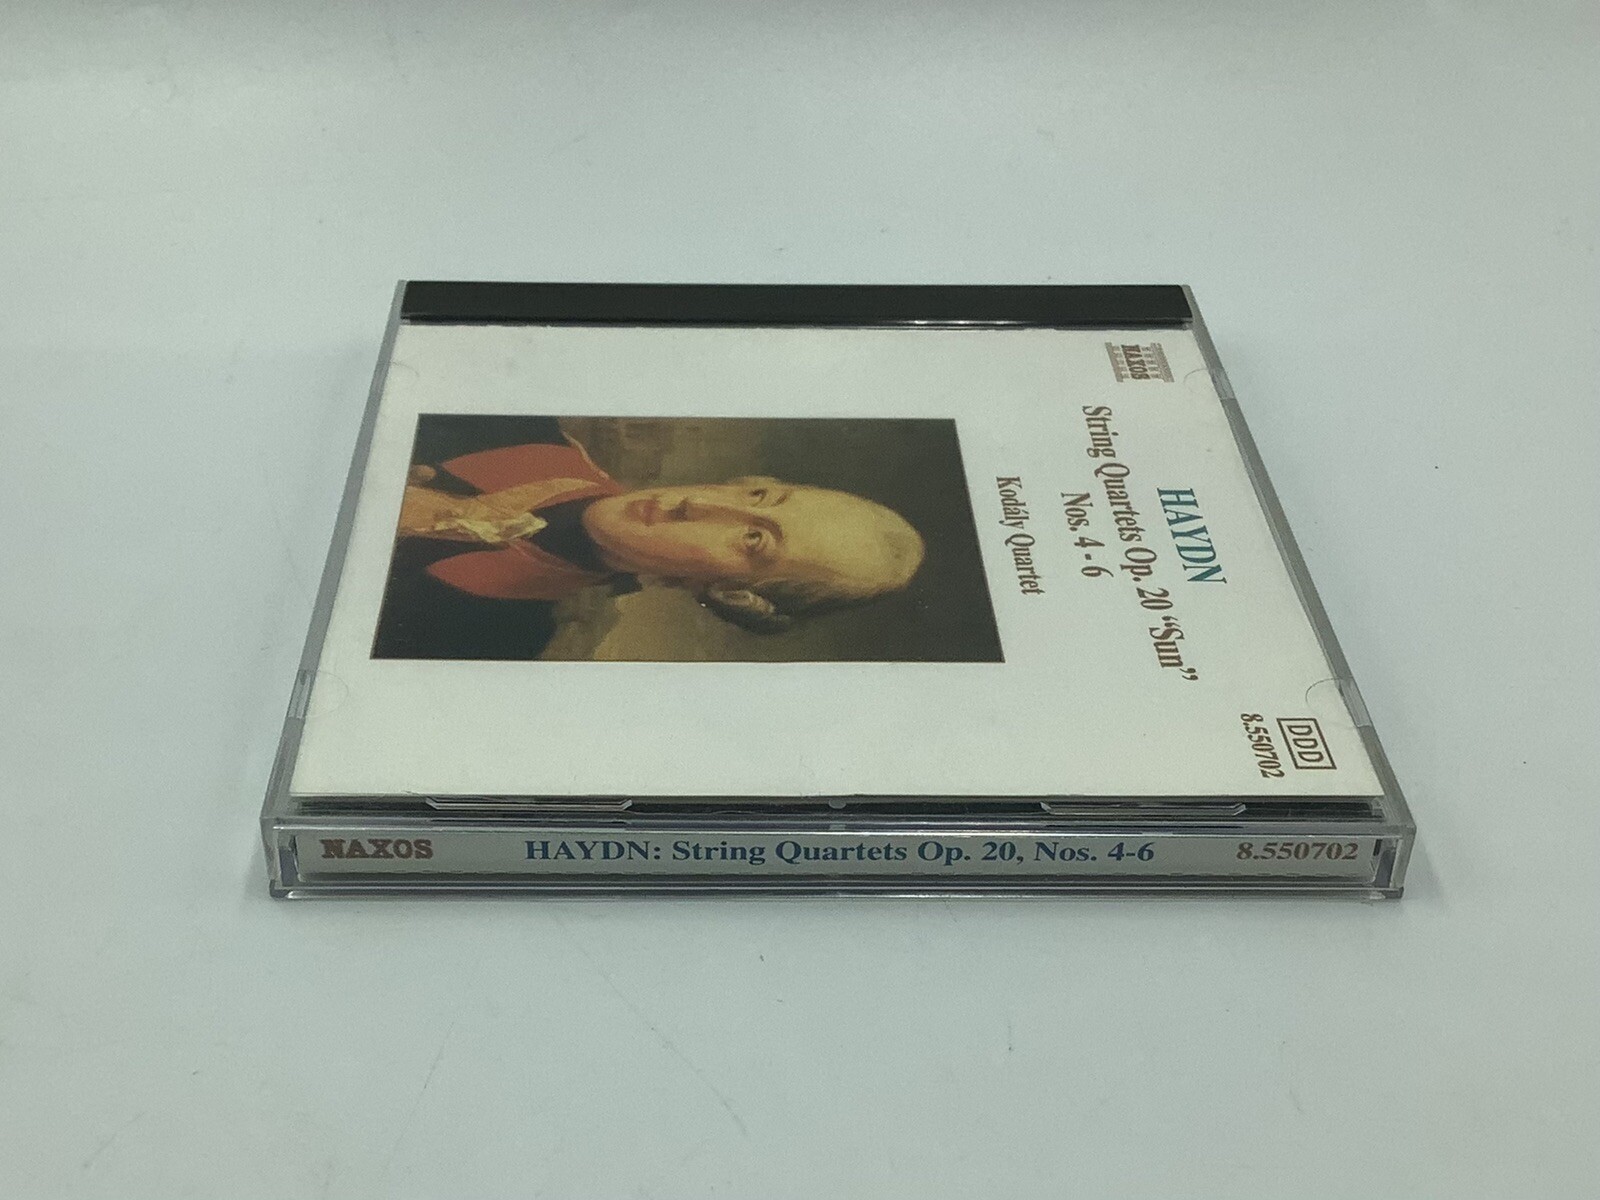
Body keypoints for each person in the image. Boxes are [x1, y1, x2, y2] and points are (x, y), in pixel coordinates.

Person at [372, 417, 925, 659]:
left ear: (728, 593)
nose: (700, 504)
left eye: (754, 539)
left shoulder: (489, 639)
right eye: (759, 497)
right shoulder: (509, 424)